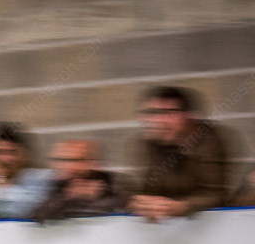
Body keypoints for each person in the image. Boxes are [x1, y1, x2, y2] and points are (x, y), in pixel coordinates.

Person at [127, 86, 232, 222]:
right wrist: (138, 203)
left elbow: (216, 194)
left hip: (209, 222)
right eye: (151, 113)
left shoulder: (210, 141)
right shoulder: (143, 143)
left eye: (169, 113)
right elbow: (139, 190)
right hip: (164, 225)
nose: (159, 121)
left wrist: (182, 206)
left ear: (189, 116)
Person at [31, 139, 121, 222]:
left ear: (93, 163)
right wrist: (69, 198)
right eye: (65, 161)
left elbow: (115, 211)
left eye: (79, 160)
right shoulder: (61, 186)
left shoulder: (113, 184)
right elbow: (37, 217)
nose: (71, 167)